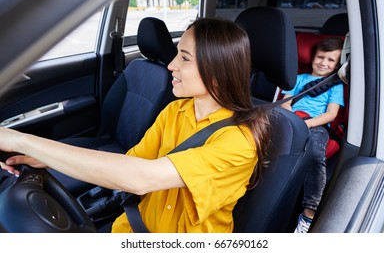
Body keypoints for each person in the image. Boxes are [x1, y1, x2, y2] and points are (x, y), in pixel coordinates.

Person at [0, 18, 271, 233]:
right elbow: (131, 163)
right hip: (130, 229)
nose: (171, 65)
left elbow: (140, 178)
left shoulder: (238, 142)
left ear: (217, 72)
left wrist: (20, 140)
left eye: (185, 58)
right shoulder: (176, 110)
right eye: (177, 54)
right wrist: (48, 157)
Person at [281, 37, 344, 233]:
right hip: (292, 120)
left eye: (331, 60)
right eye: (320, 57)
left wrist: (306, 124)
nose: (324, 63)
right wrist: (291, 119)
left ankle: (309, 214)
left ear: (337, 65)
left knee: (316, 155)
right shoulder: (299, 79)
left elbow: (331, 114)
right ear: (313, 58)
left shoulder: (335, 86)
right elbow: (285, 103)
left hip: (316, 125)